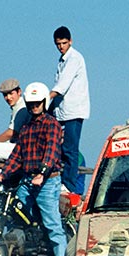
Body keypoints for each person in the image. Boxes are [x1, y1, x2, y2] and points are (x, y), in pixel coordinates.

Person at [0, 82, 67, 256]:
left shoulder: (52, 125)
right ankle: (26, 255)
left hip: (47, 181)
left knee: (53, 226)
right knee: (18, 215)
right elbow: (17, 155)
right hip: (27, 181)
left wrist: (42, 173)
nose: (34, 107)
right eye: (31, 103)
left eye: (37, 103)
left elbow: (52, 151)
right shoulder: (26, 128)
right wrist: (1, 176)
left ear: (44, 103)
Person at [49, 26, 90, 195]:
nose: (61, 46)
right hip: (62, 110)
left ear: (70, 41)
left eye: (64, 43)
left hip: (74, 110)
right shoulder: (62, 60)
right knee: (54, 143)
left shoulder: (74, 58)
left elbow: (62, 86)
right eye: (58, 44)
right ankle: (56, 178)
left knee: (70, 148)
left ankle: (69, 186)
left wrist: (45, 98)